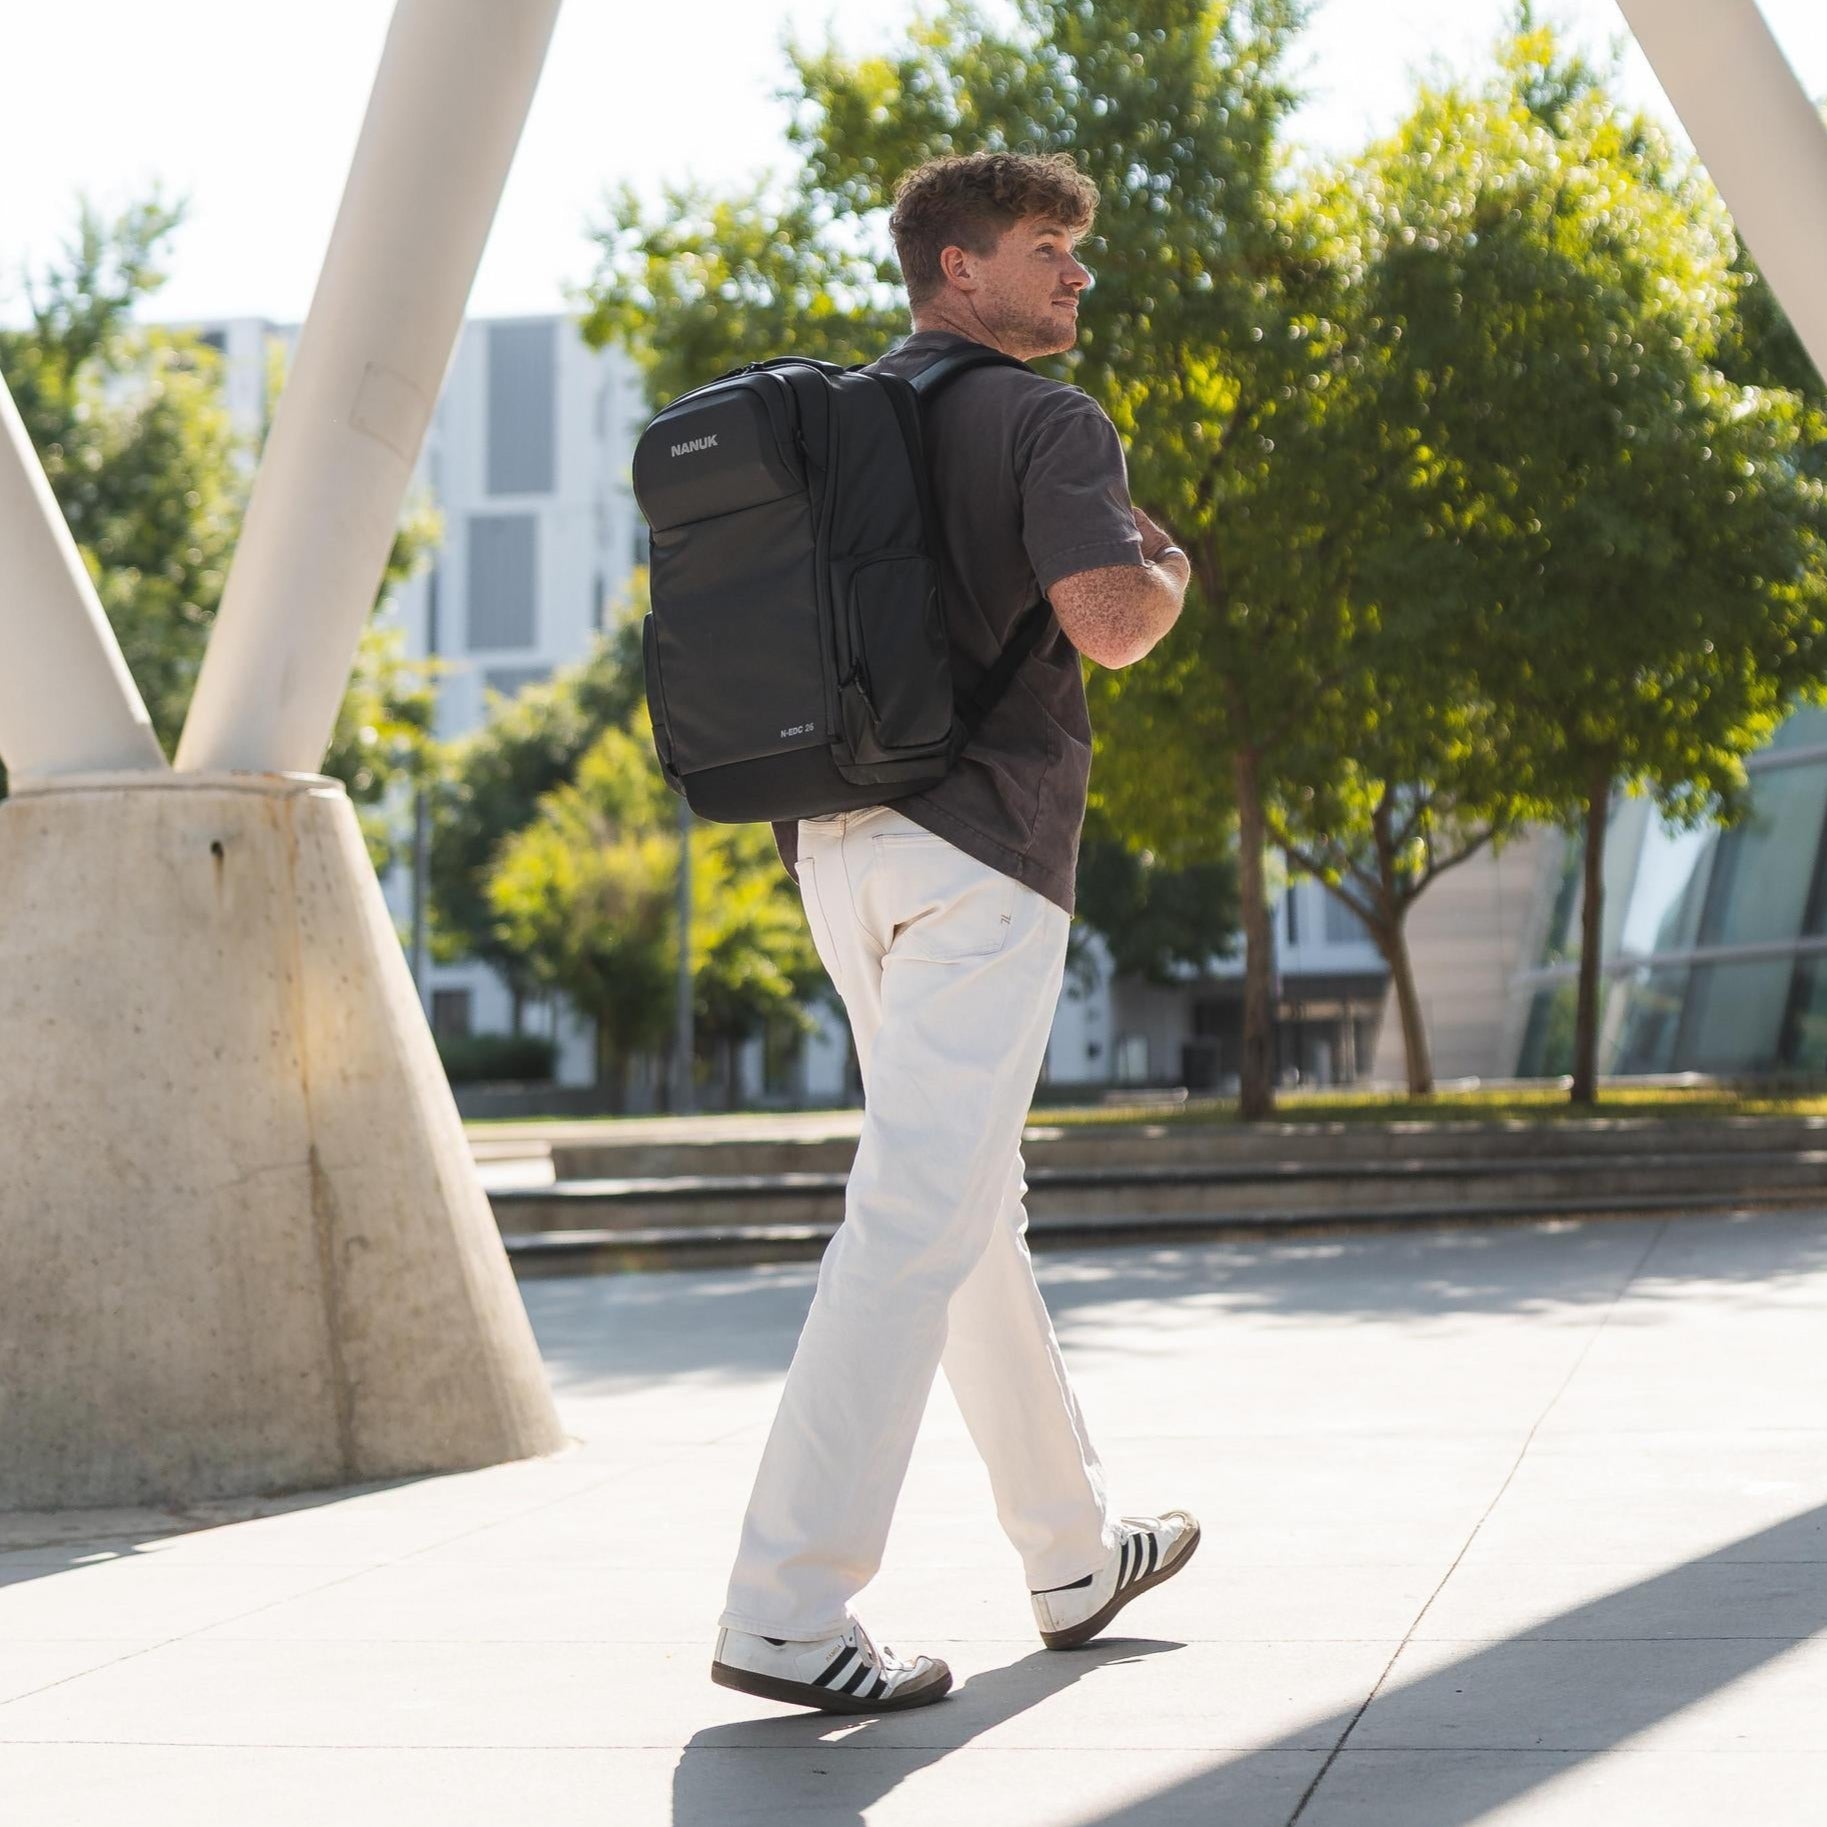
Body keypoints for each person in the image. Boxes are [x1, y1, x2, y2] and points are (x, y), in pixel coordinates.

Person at [710, 150, 1199, 1716]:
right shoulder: (1048, 421)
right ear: (958, 270)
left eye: (1077, 251)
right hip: (980, 854)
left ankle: (1070, 1549)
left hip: (835, 845)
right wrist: (1168, 573)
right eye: (1048, 249)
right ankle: (787, 1604)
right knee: (921, 1210)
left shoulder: (839, 428)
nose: (1074, 278)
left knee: (969, 1201)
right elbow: (1110, 624)